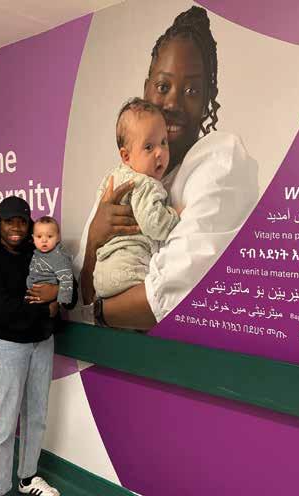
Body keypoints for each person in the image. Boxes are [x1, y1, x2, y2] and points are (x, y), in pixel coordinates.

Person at [75, 6, 258, 329]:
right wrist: (92, 241)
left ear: (207, 99)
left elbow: (164, 297)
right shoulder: (122, 179)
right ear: (146, 89)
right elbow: (78, 287)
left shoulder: (220, 160)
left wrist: (93, 314)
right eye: (163, 87)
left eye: (192, 91)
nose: (173, 103)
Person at [0, 196, 70, 496]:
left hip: (41, 343)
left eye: (22, 221)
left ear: (29, 224)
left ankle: (27, 478)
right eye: (9, 221)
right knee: (4, 421)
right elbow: (0, 309)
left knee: (36, 415)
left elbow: (70, 288)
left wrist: (55, 292)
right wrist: (46, 308)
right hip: (7, 346)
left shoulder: (38, 252)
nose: (16, 227)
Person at [93, 97, 179, 298]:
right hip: (129, 271)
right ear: (126, 156)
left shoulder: (112, 177)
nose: (160, 152)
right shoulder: (145, 183)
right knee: (160, 296)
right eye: (149, 147)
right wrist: (174, 215)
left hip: (103, 271)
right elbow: (154, 224)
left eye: (163, 142)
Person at [27, 215, 76, 306]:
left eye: (49, 236)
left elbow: (66, 279)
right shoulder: (37, 252)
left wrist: (60, 302)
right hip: (33, 292)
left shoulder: (59, 257)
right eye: (39, 236)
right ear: (33, 238)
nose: (44, 240)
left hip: (50, 297)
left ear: (58, 238)